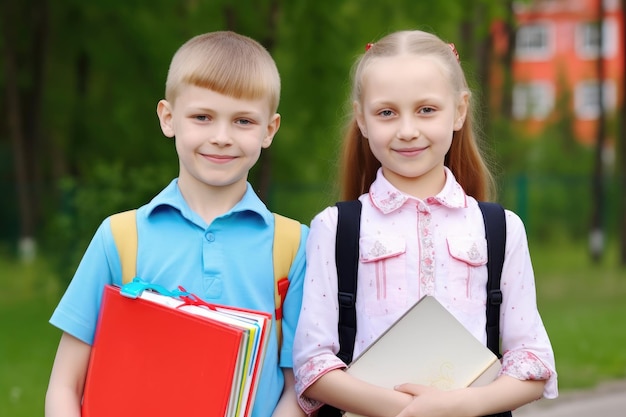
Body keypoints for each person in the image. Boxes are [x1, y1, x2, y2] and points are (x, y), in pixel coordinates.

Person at [292, 30, 557, 417]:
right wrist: (407, 410)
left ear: (460, 110)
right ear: (362, 120)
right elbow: (313, 365)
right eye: (386, 112)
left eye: (426, 109)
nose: (407, 130)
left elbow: (532, 361)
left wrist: (460, 406)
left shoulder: (501, 229)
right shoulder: (334, 229)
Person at [45, 31, 308, 417]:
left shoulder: (294, 245)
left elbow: (300, 389)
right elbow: (65, 385)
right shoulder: (120, 237)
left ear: (269, 130)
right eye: (202, 117)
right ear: (168, 118)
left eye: (243, 121)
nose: (221, 137)